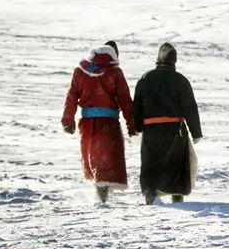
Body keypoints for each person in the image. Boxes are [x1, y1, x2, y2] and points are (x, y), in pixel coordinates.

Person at [61, 42, 136, 203]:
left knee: (93, 157)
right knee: (108, 160)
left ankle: (101, 194)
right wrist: (132, 126)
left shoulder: (80, 71)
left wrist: (68, 121)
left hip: (87, 125)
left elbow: (71, 97)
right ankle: (103, 196)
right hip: (109, 124)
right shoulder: (115, 72)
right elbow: (125, 100)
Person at [133, 43, 203, 204]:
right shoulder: (181, 80)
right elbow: (190, 107)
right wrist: (196, 133)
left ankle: (150, 196)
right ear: (174, 61)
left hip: (151, 130)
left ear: (158, 59)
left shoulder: (146, 78)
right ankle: (177, 197)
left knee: (150, 165)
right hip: (175, 131)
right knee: (177, 166)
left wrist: (137, 126)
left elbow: (136, 105)